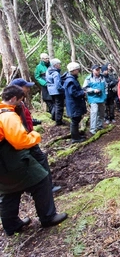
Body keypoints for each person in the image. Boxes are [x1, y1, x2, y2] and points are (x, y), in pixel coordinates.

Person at [0, 85, 67, 236]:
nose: (21, 103)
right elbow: (20, 141)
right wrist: (35, 136)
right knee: (42, 179)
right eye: (21, 100)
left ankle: (11, 225)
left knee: (9, 190)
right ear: (13, 99)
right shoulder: (7, 116)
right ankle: (48, 217)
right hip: (9, 159)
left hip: (3, 163)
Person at [9, 78, 61, 193]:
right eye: (26, 87)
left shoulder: (21, 102)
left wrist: (33, 121)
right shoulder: (14, 105)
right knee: (40, 160)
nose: (28, 89)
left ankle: (45, 186)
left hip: (28, 138)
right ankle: (47, 186)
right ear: (18, 88)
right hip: (26, 140)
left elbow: (24, 118)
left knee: (39, 160)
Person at [63, 62, 87, 143]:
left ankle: (77, 135)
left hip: (74, 104)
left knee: (76, 120)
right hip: (74, 104)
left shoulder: (72, 79)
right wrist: (83, 93)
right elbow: (73, 93)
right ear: (73, 70)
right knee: (75, 121)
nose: (78, 71)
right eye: (77, 69)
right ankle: (75, 138)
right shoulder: (70, 80)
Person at [83, 65, 107, 135]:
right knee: (94, 112)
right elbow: (84, 88)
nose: (98, 71)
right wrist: (93, 90)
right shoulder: (88, 78)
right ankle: (93, 129)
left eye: (99, 69)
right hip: (93, 98)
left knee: (102, 112)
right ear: (92, 70)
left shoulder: (102, 77)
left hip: (102, 97)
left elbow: (106, 86)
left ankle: (100, 126)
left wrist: (106, 94)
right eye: (96, 70)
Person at [46, 58, 65, 126]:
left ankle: (53, 117)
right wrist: (64, 90)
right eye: (59, 64)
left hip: (51, 91)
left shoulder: (48, 71)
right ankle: (58, 121)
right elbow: (58, 86)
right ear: (55, 65)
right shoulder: (56, 73)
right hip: (57, 92)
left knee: (55, 105)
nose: (60, 65)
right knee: (59, 106)